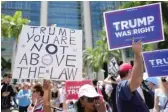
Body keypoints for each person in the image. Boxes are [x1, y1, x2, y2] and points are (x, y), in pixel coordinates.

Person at [116, 40, 149, 112]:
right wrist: (137, 54)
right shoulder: (121, 86)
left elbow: (139, 78)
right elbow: (137, 80)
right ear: (131, 71)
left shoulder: (125, 86)